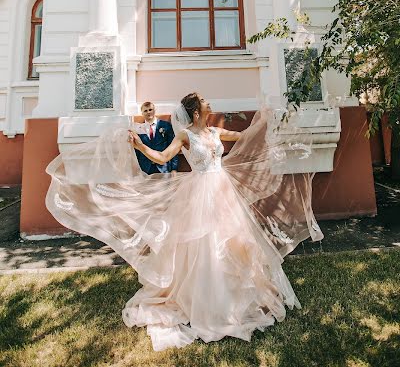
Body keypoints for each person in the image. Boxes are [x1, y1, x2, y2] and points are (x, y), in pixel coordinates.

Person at [46, 92, 323, 351]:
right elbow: (164, 156)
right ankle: (208, 300)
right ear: (194, 111)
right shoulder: (185, 136)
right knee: (205, 243)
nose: (208, 102)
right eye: (203, 101)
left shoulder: (215, 132)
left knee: (234, 239)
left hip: (223, 192)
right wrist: (141, 146)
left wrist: (266, 119)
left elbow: (244, 136)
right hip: (201, 193)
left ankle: (240, 294)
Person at [134, 101, 178, 178]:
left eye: (150, 109)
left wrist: (174, 168)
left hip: (163, 168)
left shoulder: (166, 126)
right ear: (142, 113)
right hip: (145, 169)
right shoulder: (138, 129)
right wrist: (136, 169)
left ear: (154, 110)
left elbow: (173, 147)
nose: (148, 112)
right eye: (145, 110)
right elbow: (136, 150)